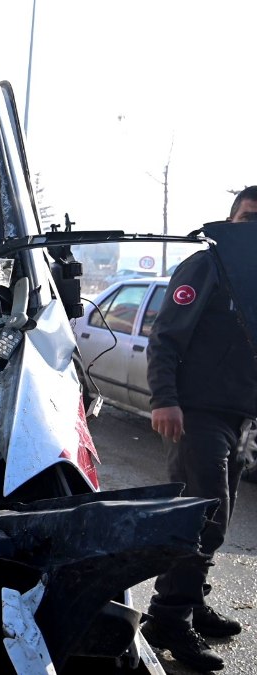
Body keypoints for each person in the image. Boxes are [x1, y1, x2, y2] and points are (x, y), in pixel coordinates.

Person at [142, 186, 257, 671]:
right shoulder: (207, 265)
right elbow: (165, 336)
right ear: (231, 219)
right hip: (197, 413)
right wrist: (165, 399)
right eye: (249, 217)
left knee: (217, 521)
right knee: (202, 519)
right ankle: (167, 617)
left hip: (238, 417)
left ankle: (190, 600)